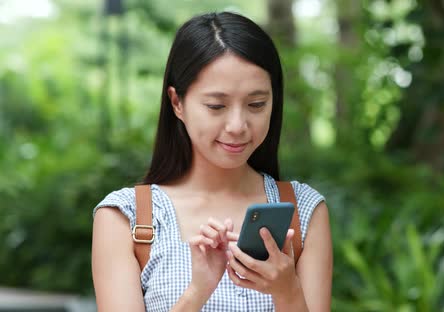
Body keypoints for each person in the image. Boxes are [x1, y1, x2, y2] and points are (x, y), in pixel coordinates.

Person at [91, 11, 333, 312]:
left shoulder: (304, 210)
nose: (237, 125)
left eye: (256, 104)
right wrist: (198, 290)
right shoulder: (126, 218)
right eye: (216, 105)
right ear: (177, 102)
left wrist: (287, 291)